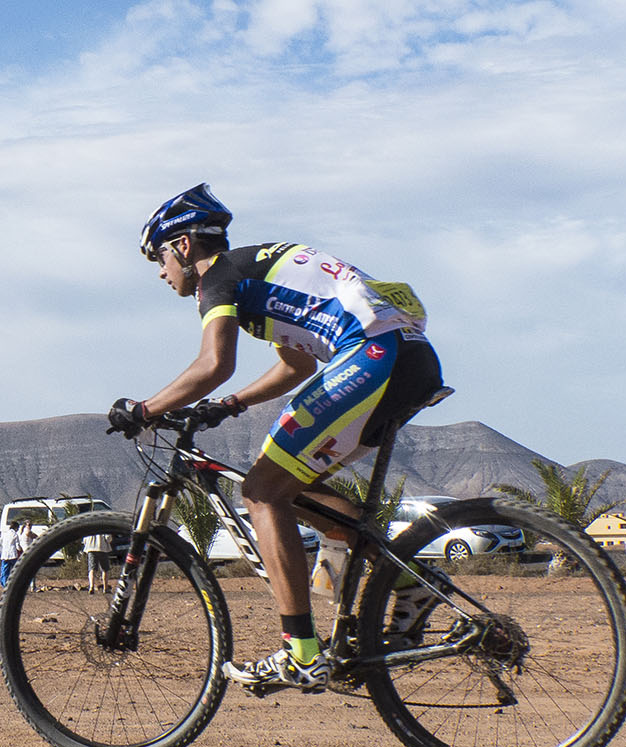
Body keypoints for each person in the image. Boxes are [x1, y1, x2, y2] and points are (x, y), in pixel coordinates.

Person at [111, 184, 444, 694]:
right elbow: (297, 363)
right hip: (409, 359)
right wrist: (232, 405)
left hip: (373, 356)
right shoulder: (255, 272)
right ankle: (409, 584)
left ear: (183, 245)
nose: (160, 271)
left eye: (158, 256)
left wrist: (144, 409)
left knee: (261, 490)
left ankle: (301, 654)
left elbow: (213, 364)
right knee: (294, 488)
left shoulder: (218, 277)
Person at [0, 519, 28, 588]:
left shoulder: (5, 534)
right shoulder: (15, 535)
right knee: (16, 570)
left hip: (4, 555)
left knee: (4, 571)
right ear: (16, 528)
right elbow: (18, 547)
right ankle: (16, 583)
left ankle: (4, 584)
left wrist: (2, 550)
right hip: (13, 555)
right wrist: (22, 550)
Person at [82, 525, 112, 592]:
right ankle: (105, 587)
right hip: (103, 549)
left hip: (91, 549)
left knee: (92, 569)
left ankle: (91, 586)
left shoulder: (89, 526)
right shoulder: (104, 526)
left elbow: (84, 540)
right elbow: (108, 538)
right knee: (105, 569)